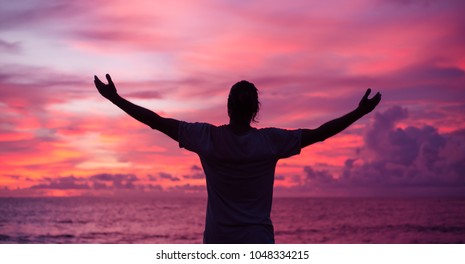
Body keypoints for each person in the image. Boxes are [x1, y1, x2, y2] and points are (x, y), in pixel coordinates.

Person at [94, 74, 381, 243]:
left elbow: (156, 121)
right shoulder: (270, 142)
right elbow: (320, 134)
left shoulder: (207, 138)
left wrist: (115, 99)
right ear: (255, 109)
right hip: (258, 239)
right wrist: (359, 112)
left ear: (228, 106)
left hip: (218, 240)